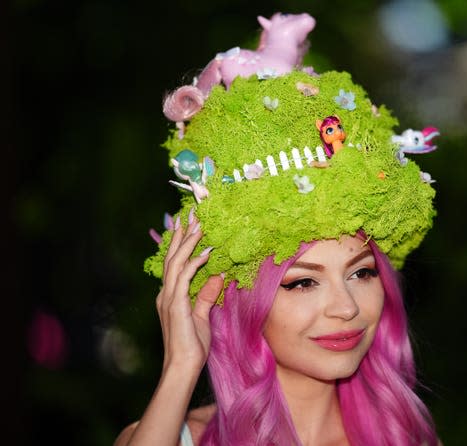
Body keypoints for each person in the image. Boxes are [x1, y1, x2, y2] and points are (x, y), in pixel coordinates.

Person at [115, 11, 440, 446]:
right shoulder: (170, 437)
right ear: (236, 295)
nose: (345, 308)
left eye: (361, 272)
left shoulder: (406, 435)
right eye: (302, 282)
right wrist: (181, 367)